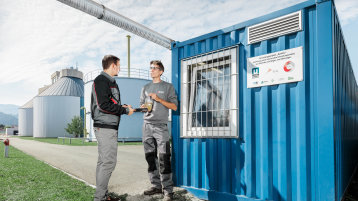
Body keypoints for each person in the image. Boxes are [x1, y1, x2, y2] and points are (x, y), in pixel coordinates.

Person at [91, 55, 134, 201]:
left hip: (108, 127)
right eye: (119, 65)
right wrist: (125, 111)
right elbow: (103, 105)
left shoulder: (110, 82)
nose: (120, 68)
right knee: (108, 162)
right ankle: (100, 198)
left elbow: (110, 102)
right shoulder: (101, 80)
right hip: (105, 127)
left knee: (103, 162)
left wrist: (122, 107)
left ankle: (102, 196)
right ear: (113, 65)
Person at [140, 60, 178, 201]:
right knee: (150, 157)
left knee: (164, 158)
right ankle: (155, 185)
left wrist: (159, 99)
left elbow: (174, 106)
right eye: (150, 68)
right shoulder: (145, 87)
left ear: (161, 71)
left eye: (155, 68)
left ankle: (168, 190)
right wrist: (144, 107)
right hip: (147, 126)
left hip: (161, 127)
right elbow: (142, 107)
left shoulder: (168, 87)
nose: (152, 70)